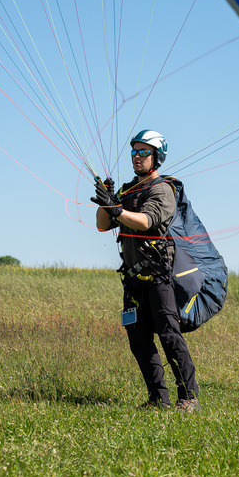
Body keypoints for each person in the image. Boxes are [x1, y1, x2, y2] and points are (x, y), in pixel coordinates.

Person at [92, 129, 200, 412]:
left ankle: (188, 397)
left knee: (169, 336)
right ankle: (158, 399)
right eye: (134, 152)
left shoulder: (162, 190)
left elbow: (144, 221)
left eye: (143, 152)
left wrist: (118, 210)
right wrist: (108, 201)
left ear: (157, 157)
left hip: (159, 278)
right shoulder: (128, 190)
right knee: (139, 340)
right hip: (133, 280)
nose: (136, 157)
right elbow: (103, 225)